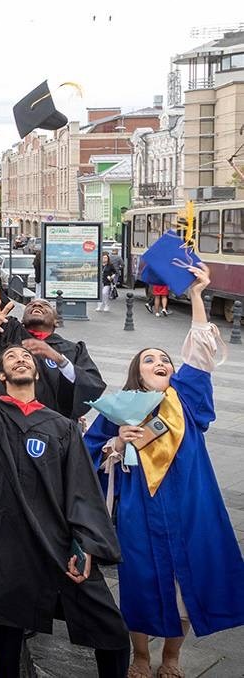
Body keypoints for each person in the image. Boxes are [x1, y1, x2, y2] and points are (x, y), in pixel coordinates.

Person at [0, 289, 130, 678]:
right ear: (1, 376)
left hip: (60, 547)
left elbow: (82, 489)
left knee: (112, 632)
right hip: (11, 547)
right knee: (7, 634)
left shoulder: (61, 427)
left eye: (26, 357)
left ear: (36, 371)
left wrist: (86, 544)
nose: (19, 358)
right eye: (10, 357)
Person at [84, 263, 244, 678]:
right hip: (141, 510)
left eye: (165, 359)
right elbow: (88, 457)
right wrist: (118, 443)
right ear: (136, 372)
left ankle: (172, 656)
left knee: (189, 589)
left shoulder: (184, 398)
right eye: (149, 359)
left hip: (192, 504)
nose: (160, 362)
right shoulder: (118, 408)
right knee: (140, 583)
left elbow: (200, 351)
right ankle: (140, 655)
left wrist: (197, 295)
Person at [0, 198, 105, 419]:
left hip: (54, 429)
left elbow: (92, 387)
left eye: (45, 305)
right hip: (7, 424)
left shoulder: (72, 351)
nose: (37, 304)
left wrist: (58, 359)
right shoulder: (9, 334)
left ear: (56, 321)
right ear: (22, 317)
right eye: (31, 304)